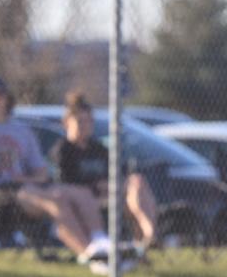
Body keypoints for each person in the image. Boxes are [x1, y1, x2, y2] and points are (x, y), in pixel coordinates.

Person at [0, 74, 112, 273]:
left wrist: (22, 179)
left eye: (1, 95)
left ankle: (101, 242)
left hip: (23, 187)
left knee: (80, 193)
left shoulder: (21, 130)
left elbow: (41, 172)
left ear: (8, 99)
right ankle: (91, 256)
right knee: (55, 200)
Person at [49, 91, 158, 253]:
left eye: (88, 121)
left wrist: (111, 185)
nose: (85, 126)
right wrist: (96, 186)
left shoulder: (99, 149)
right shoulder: (63, 151)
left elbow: (117, 174)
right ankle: (139, 246)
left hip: (111, 195)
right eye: (80, 121)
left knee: (137, 181)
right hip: (85, 202)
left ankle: (150, 237)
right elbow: (65, 184)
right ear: (66, 123)